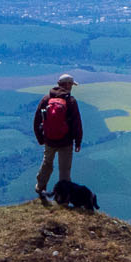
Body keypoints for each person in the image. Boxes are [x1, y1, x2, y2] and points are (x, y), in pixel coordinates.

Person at [31, 73, 84, 205]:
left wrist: (40, 138)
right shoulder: (70, 101)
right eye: (71, 84)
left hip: (49, 140)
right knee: (64, 169)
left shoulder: (46, 99)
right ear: (66, 85)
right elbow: (77, 123)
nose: (71, 87)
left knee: (47, 163)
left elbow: (37, 120)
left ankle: (40, 188)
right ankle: (63, 198)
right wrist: (78, 142)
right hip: (66, 142)